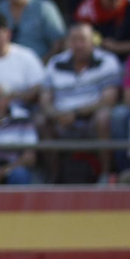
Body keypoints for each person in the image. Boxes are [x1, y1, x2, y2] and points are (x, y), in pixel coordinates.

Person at [40, 22, 121, 180]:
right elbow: (45, 99)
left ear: (93, 41)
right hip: (60, 118)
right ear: (67, 42)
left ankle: (105, 175)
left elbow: (109, 99)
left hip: (91, 117)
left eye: (82, 40)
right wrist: (56, 115)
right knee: (41, 121)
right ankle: (54, 176)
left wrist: (76, 114)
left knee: (104, 117)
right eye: (74, 40)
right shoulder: (55, 63)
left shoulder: (107, 61)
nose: (78, 45)